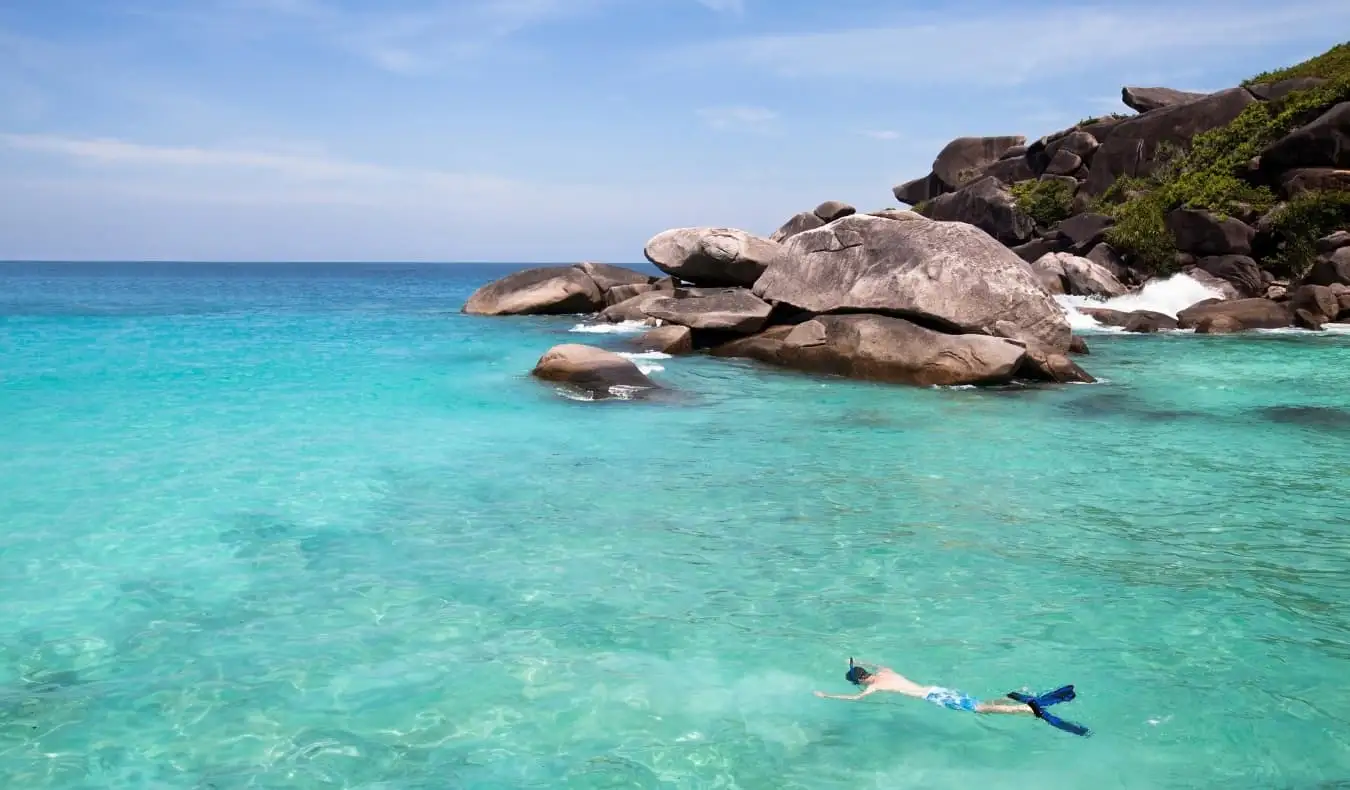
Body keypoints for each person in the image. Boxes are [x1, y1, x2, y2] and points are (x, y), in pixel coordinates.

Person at [814, 658, 1089, 736]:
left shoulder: (874, 687)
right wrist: (855, 661)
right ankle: (1019, 701)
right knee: (984, 702)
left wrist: (827, 695)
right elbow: (872, 663)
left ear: (860, 681)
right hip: (941, 689)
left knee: (981, 709)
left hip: (938, 700)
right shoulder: (886, 671)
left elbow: (855, 700)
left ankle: (1030, 710)